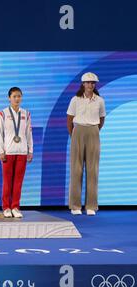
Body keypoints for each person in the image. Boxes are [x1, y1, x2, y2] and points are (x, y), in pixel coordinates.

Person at [67, 72, 106, 216]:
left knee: (92, 169)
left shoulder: (100, 101)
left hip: (93, 131)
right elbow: (69, 119)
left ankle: (91, 205)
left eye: (93, 83)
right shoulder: (75, 100)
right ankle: (75, 205)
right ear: (83, 84)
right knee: (76, 169)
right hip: (78, 132)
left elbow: (101, 119)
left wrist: (94, 130)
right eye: (88, 82)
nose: (90, 85)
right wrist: (74, 135)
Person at [0, 87, 33, 218]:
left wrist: (30, 150)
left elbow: (28, 133)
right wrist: (1, 151)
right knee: (7, 181)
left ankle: (15, 207)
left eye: (19, 96)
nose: (17, 99)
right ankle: (6, 207)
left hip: (22, 152)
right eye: (14, 96)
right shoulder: (3, 114)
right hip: (8, 152)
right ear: (9, 98)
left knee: (18, 181)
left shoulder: (26, 114)